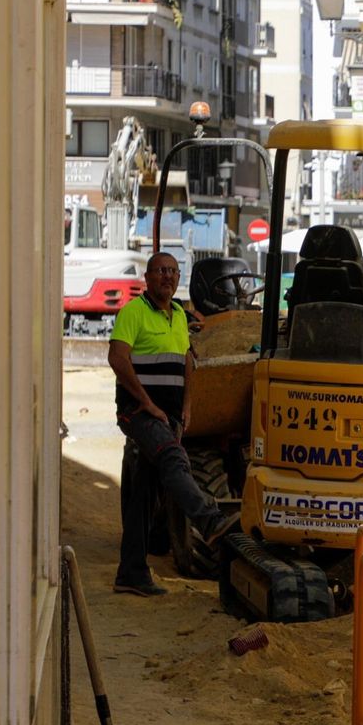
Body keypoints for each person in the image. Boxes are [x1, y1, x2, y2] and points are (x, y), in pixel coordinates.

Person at [108, 252, 239, 596]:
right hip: (139, 412)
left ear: (179, 278)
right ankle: (209, 520)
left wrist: (187, 408)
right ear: (148, 277)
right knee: (173, 457)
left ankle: (131, 573)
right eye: (161, 271)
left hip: (170, 415)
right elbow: (117, 358)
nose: (167, 276)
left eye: (173, 271)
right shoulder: (132, 313)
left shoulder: (179, 315)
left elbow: (186, 362)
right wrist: (147, 402)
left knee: (144, 495)